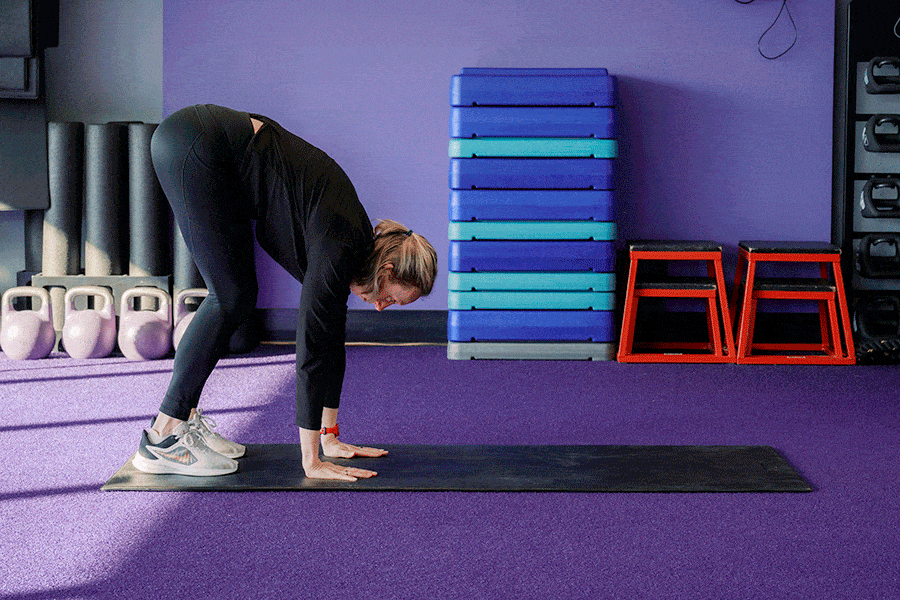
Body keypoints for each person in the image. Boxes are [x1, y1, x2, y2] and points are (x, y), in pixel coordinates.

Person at [130, 104, 437, 481]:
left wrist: (331, 436)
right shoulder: (339, 243)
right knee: (230, 297)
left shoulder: (352, 249)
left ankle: (185, 423)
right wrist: (312, 461)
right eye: (391, 297)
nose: (379, 306)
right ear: (387, 270)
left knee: (238, 295)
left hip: (222, 158)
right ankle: (162, 436)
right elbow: (310, 348)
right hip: (195, 143)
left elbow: (330, 339)